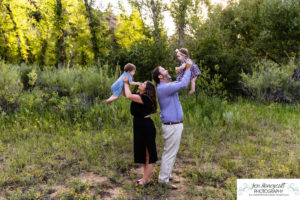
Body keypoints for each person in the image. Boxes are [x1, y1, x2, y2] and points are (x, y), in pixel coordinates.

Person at [152, 60, 192, 189]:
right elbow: (184, 83)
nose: (167, 71)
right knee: (169, 152)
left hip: (174, 125)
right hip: (171, 126)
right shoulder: (164, 88)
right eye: (164, 70)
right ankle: (163, 180)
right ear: (160, 76)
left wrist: (183, 70)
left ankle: (167, 175)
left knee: (172, 152)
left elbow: (183, 84)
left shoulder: (168, 86)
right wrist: (188, 69)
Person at [123, 75, 158, 185]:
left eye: (143, 84)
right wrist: (127, 83)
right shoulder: (139, 95)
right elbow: (125, 93)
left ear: (147, 89)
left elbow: (128, 95)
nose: (140, 84)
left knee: (149, 153)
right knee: (143, 153)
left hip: (146, 126)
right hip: (139, 126)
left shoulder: (145, 98)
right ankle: (145, 178)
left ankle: (147, 179)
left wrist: (126, 83)